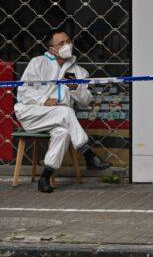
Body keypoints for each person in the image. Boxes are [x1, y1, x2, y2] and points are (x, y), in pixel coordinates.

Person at [14, 29, 112, 193]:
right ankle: (88, 154)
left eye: (68, 41)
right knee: (66, 112)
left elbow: (86, 102)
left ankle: (45, 177)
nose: (67, 45)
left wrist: (75, 89)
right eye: (61, 43)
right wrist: (44, 100)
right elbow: (23, 91)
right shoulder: (38, 63)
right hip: (32, 114)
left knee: (63, 133)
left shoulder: (79, 72)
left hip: (59, 119)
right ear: (51, 48)